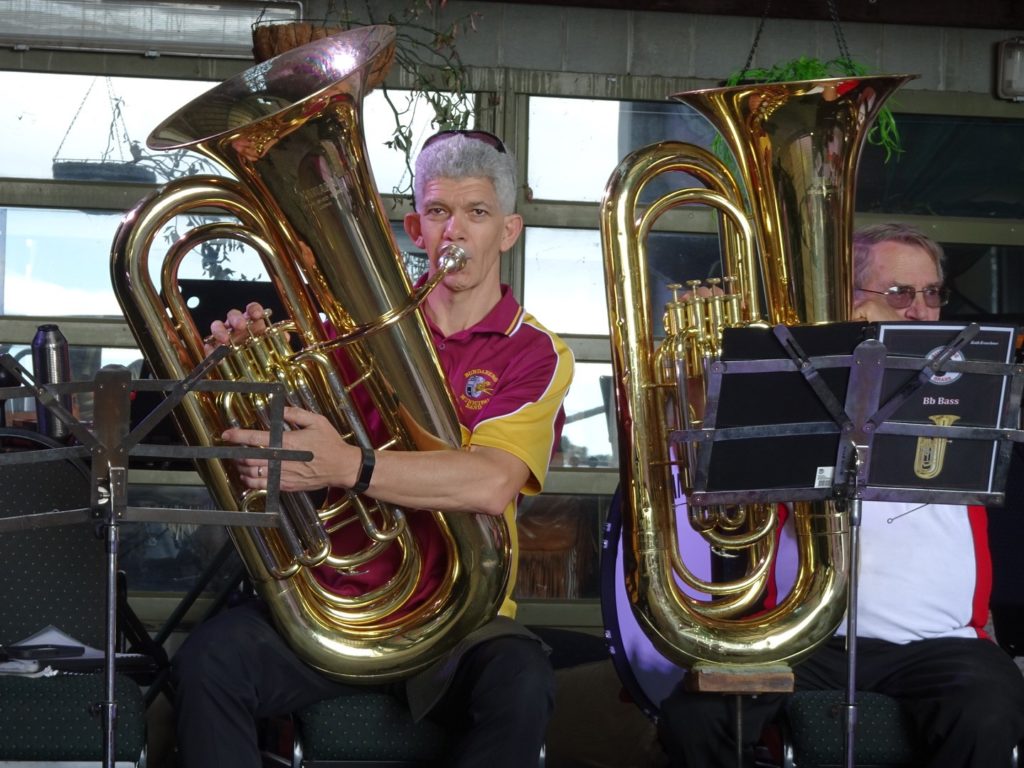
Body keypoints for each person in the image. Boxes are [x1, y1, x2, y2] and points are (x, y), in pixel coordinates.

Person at [171, 129, 575, 768]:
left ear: (508, 231)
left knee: (521, 682)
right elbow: (259, 466)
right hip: (334, 608)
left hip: (460, 618)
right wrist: (238, 379)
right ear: (416, 227)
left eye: (477, 214)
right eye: (439, 213)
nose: (455, 233)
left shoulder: (535, 351)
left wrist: (348, 466)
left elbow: (490, 483)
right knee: (209, 662)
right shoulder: (333, 335)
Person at [657, 222, 1024, 767]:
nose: (921, 310)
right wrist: (704, 366)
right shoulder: (795, 385)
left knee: (988, 713)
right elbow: (702, 474)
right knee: (695, 717)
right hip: (803, 639)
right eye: (900, 293)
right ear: (848, 302)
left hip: (944, 647)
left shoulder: (975, 385)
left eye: (931, 294)